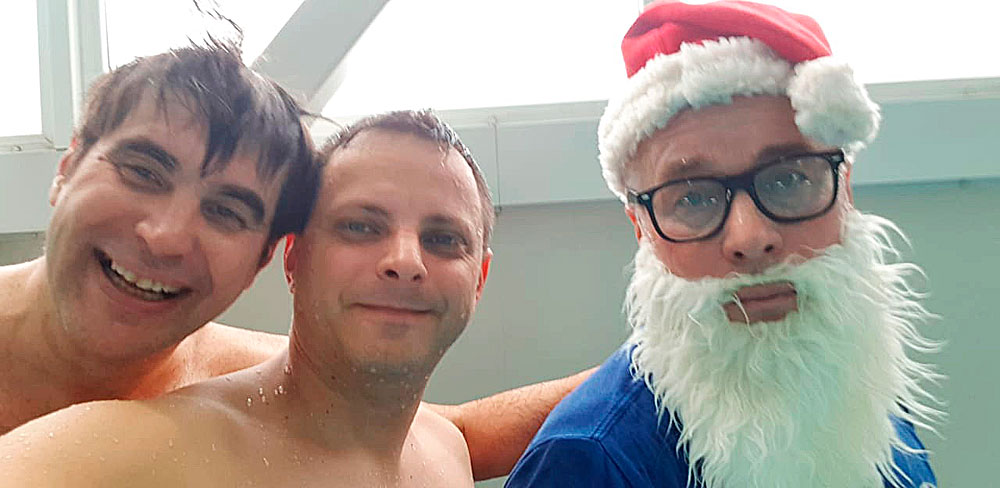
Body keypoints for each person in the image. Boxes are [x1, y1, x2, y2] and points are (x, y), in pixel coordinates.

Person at [0, 42, 587, 480]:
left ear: (264, 257)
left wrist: (641, 364)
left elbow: (442, 431)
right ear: (66, 168)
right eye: (142, 172)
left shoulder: (423, 443)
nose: (165, 237)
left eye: (227, 211)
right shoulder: (101, 450)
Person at [506, 2, 941, 487]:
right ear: (641, 227)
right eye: (693, 198)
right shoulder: (588, 462)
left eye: (788, 180)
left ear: (846, 190)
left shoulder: (862, 388)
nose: (750, 239)